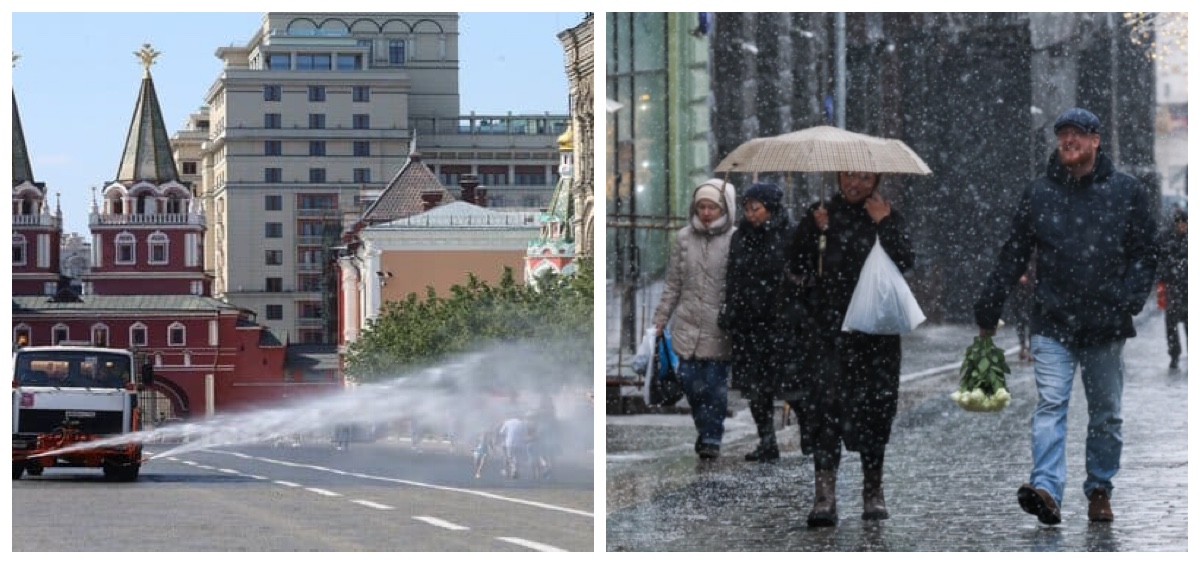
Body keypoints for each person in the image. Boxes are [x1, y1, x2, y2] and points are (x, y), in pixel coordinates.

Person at [975, 107, 1158, 525]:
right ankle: (1046, 489)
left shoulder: (1127, 192)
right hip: (1053, 321)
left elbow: (1145, 252)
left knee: (1106, 413)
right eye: (1062, 135)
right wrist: (990, 303)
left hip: (1105, 323)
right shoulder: (1039, 193)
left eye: (1078, 134)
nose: (1068, 141)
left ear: (1096, 140)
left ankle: (1098, 488)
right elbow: (1014, 253)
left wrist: (1129, 297)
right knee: (1051, 404)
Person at [786, 170, 914, 526]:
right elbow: (795, 264)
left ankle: (873, 491)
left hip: (876, 334)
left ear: (876, 180)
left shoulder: (886, 213)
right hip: (828, 333)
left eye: (864, 178)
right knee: (825, 409)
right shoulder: (821, 212)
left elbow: (905, 260)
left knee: (875, 410)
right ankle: (824, 496)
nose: (854, 184)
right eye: (848, 177)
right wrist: (814, 231)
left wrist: (884, 224)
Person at [651, 178, 738, 460]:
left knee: (714, 386)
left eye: (712, 207)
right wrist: (661, 317)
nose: (706, 212)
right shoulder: (684, 238)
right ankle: (705, 429)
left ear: (723, 208)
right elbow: (673, 282)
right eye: (702, 206)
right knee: (690, 382)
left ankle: (712, 435)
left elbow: (738, 282)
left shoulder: (734, 239)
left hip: (719, 325)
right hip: (687, 323)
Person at [719, 182, 796, 463]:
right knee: (755, 388)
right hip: (748, 323)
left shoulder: (789, 234)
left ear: (771, 209)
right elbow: (733, 275)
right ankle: (767, 440)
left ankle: (812, 435)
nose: (750, 214)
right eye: (747, 208)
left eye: (756, 208)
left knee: (791, 385)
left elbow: (799, 270)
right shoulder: (741, 237)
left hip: (780, 322)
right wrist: (731, 308)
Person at [1157, 209, 1187, 370]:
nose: (1183, 227)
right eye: (1180, 224)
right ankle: (1174, 355)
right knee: (1171, 325)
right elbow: (1161, 262)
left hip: (1187, 289)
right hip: (1173, 289)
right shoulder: (1167, 239)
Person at [1007, 256, 1037, 363]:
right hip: (1020, 294)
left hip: (1030, 294)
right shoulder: (1020, 255)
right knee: (1020, 322)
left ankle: (1028, 348)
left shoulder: (1035, 257)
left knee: (1029, 322)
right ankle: (1023, 346)